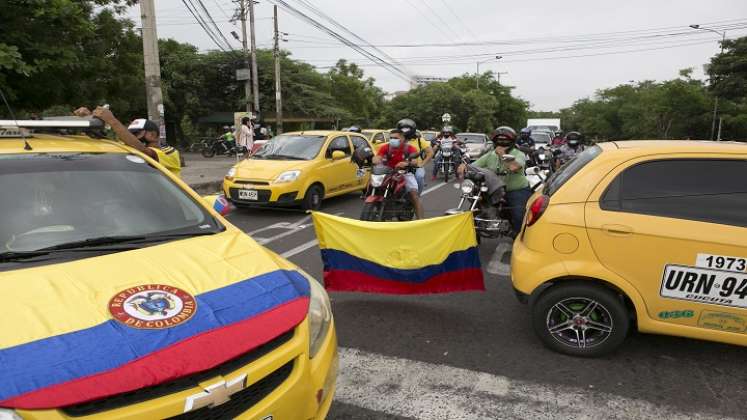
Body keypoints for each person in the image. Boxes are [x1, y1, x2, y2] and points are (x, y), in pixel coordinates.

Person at [457, 126, 531, 236]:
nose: (501, 143)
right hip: (494, 189)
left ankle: (519, 238)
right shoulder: (490, 155)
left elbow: (514, 167)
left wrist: (502, 155)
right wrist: (464, 165)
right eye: (498, 140)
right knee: (477, 206)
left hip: (516, 190)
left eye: (505, 141)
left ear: (511, 142)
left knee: (518, 216)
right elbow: (474, 166)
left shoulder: (518, 154)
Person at [74, 106, 182, 177]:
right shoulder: (130, 148)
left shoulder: (169, 152)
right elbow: (104, 143)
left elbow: (143, 151)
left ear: (153, 135)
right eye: (130, 134)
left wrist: (112, 121)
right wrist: (89, 119)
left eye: (136, 134)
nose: (131, 138)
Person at [372, 128, 424, 220]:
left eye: (395, 138)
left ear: (403, 138)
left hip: (404, 173)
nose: (393, 140)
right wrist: (376, 160)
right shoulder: (385, 147)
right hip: (387, 173)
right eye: (391, 138)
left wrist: (407, 163)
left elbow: (415, 162)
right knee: (373, 185)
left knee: (414, 194)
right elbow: (377, 157)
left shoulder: (410, 148)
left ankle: (422, 220)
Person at [398, 118, 433, 194]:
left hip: (415, 166)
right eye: (402, 129)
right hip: (399, 165)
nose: (404, 131)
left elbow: (430, 153)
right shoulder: (397, 140)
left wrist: (422, 164)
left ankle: (417, 195)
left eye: (406, 129)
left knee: (419, 177)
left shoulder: (420, 140)